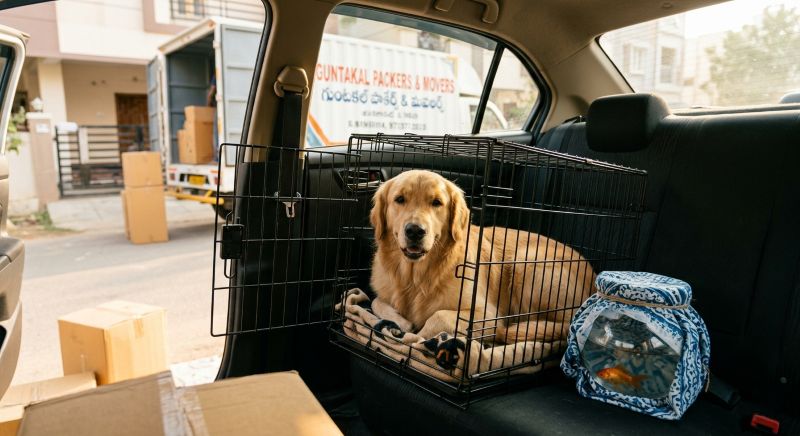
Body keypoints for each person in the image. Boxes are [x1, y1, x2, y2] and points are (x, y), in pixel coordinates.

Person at [207, 72, 219, 161]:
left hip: (220, 106)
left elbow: (212, 91)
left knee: (216, 131)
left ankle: (217, 157)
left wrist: (208, 103)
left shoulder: (216, 75)